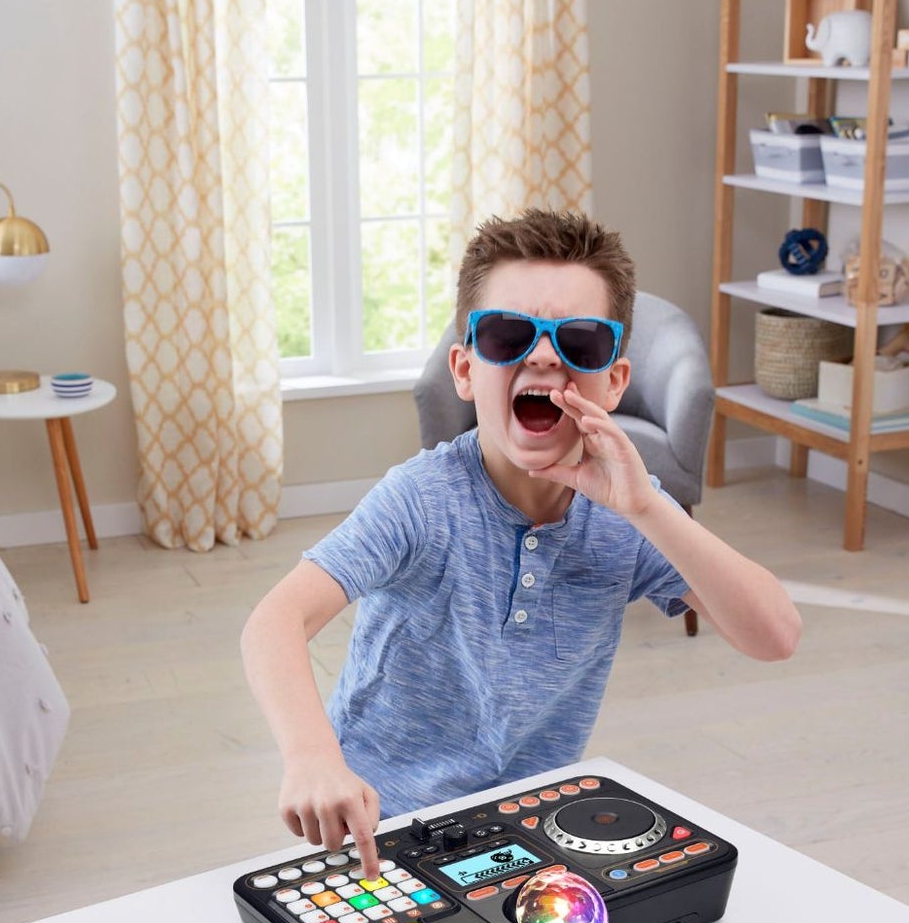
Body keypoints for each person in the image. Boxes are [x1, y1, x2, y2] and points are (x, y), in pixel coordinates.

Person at [240, 209, 801, 877]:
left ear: (614, 381)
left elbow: (776, 635)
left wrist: (648, 508)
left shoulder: (629, 515)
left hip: (526, 829)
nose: (542, 356)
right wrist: (312, 760)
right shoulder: (420, 499)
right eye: (508, 335)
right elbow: (274, 623)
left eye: (580, 342)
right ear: (464, 370)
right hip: (375, 827)